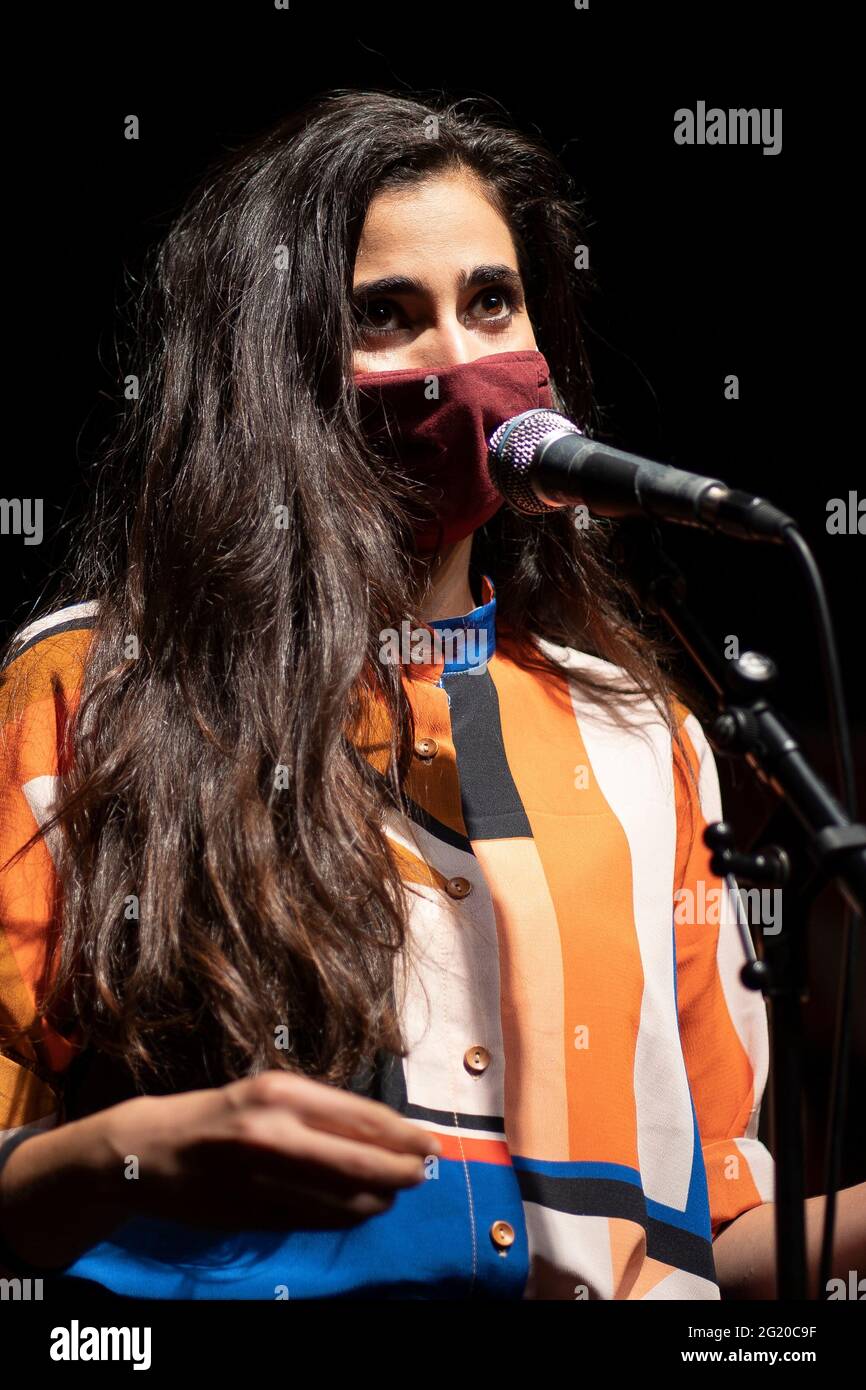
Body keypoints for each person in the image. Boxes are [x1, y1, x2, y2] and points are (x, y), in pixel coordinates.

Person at [0, 88, 863, 1301]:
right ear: (275, 369)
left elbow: (707, 1236)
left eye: (492, 302)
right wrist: (132, 1152)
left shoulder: (641, 732)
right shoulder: (93, 691)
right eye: (386, 316)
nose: (460, 361)